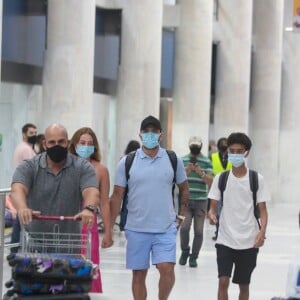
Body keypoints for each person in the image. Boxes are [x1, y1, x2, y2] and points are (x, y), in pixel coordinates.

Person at [110, 115, 189, 300]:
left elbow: (184, 188)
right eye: (146, 131)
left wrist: (182, 216)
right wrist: (109, 227)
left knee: (167, 269)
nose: (150, 135)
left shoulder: (172, 159)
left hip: (165, 227)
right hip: (136, 228)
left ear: (160, 134)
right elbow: (117, 195)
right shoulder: (127, 162)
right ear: (140, 134)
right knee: (138, 274)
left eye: (154, 131)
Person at [10, 123, 104, 250]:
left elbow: (91, 191)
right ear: (44, 144)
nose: (56, 146)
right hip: (34, 243)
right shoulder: (29, 166)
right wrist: (22, 208)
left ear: (68, 143)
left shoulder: (82, 167)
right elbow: (18, 189)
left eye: (61, 142)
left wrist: (89, 208)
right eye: (52, 142)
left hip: (69, 244)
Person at [208, 132, 270, 300]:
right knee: (223, 281)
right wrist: (212, 215)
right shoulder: (221, 178)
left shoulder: (256, 179)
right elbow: (213, 206)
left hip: (249, 240)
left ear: (246, 152)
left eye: (239, 151)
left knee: (244, 285)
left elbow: (263, 210)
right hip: (225, 239)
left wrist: (262, 232)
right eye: (232, 150)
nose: (234, 154)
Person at [69, 127, 113, 293]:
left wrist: (108, 231)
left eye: (90, 144)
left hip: (89, 223)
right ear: (74, 144)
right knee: (67, 261)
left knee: (89, 262)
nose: (86, 146)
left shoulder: (101, 170)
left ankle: (90, 294)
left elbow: (104, 202)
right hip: (68, 219)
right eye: (82, 143)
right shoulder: (66, 166)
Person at [178, 136, 213, 268]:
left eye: (197, 145)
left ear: (201, 146)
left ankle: (194, 256)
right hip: (186, 200)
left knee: (199, 231)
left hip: (201, 201)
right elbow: (177, 180)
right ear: (189, 146)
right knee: (184, 228)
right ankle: (185, 251)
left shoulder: (206, 161)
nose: (195, 147)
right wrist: (186, 171)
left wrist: (200, 172)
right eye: (193, 145)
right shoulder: (182, 160)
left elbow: (211, 182)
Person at [11, 123, 38, 252]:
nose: (34, 135)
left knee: (20, 219)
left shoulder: (21, 147)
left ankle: (15, 250)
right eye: (31, 133)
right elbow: (32, 170)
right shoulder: (26, 149)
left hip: (23, 187)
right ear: (24, 134)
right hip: (26, 189)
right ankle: (15, 250)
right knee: (22, 219)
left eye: (35, 133)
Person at [210, 137, 232, 240]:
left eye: (226, 144)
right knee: (218, 212)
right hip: (217, 188)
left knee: (227, 213)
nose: (224, 146)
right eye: (222, 144)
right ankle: (218, 232)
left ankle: (226, 232)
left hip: (230, 189)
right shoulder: (213, 157)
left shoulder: (232, 157)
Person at [119, 139, 141, 231]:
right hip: (136, 187)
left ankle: (124, 224)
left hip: (125, 186)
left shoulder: (123, 159)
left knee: (125, 206)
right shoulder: (139, 160)